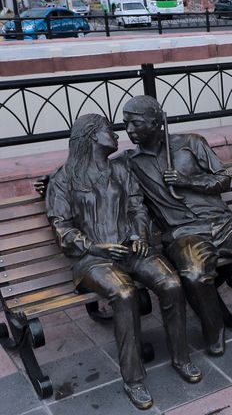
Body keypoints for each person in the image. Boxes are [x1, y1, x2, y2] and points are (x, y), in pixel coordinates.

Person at [120, 96, 232, 359]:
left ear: (156, 122)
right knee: (194, 275)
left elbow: (223, 179)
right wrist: (51, 182)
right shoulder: (128, 162)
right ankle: (214, 333)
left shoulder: (191, 143)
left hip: (225, 225)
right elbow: (90, 171)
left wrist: (187, 181)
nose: (129, 130)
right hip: (184, 234)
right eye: (125, 124)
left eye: (135, 123)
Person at [46, 114, 201, 411]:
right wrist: (95, 247)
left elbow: (137, 208)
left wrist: (138, 234)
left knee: (171, 283)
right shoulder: (63, 179)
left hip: (131, 249)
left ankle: (181, 359)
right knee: (125, 293)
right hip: (92, 259)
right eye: (110, 130)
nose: (118, 135)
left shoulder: (121, 170)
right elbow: (62, 228)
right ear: (92, 136)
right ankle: (133, 379)